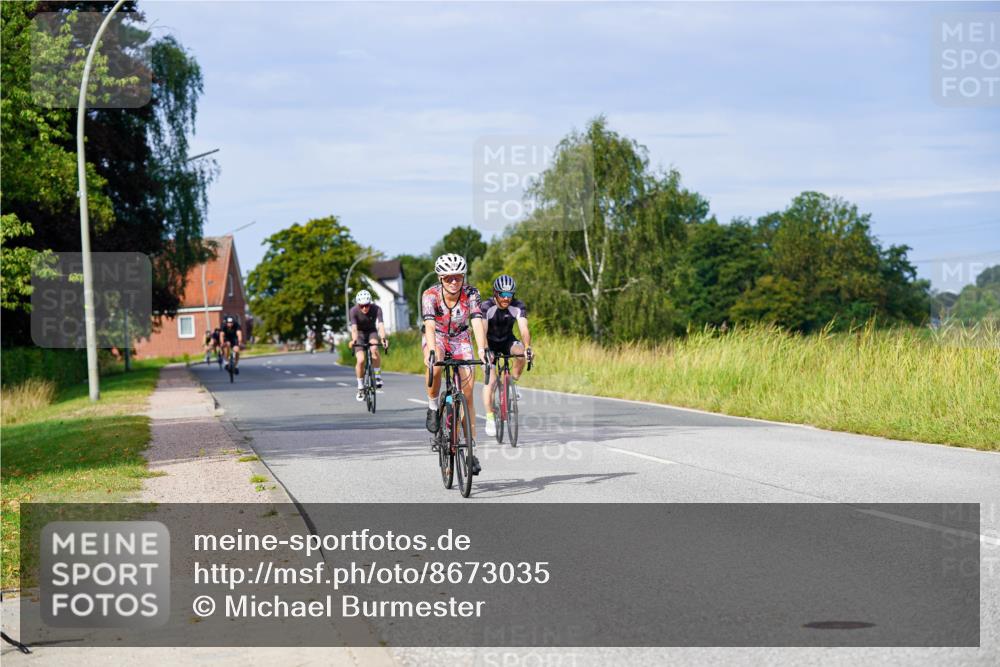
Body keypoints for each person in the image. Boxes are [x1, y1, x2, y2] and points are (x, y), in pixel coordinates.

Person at [421, 253, 489, 475]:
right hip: (438, 336)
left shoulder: (471, 294)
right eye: (449, 278)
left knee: (467, 394)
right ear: (441, 278)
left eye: (458, 277)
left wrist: (483, 349)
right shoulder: (430, 295)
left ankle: (470, 451)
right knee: (436, 366)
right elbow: (429, 326)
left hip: (460, 337)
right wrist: (432, 351)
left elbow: (477, 321)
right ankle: (433, 406)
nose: (454, 282)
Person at [480, 274, 533, 437]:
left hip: (507, 340)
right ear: (495, 293)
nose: (506, 298)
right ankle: (490, 417)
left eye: (510, 294)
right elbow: (482, 330)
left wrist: (527, 347)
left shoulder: (518, 306)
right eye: (502, 294)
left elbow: (523, 329)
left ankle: (512, 382)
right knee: (492, 381)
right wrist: (485, 350)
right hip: (489, 343)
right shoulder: (486, 306)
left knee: (522, 355)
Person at [349, 290, 388, 400]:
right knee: (361, 360)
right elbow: (354, 329)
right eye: (362, 306)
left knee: (374, 348)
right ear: (358, 305)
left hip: (372, 332)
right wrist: (354, 340)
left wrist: (383, 338)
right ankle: (360, 386)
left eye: (367, 305)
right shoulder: (353, 311)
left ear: (370, 303)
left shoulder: (377, 309)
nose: (365, 308)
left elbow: (380, 326)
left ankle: (378, 376)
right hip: (360, 335)